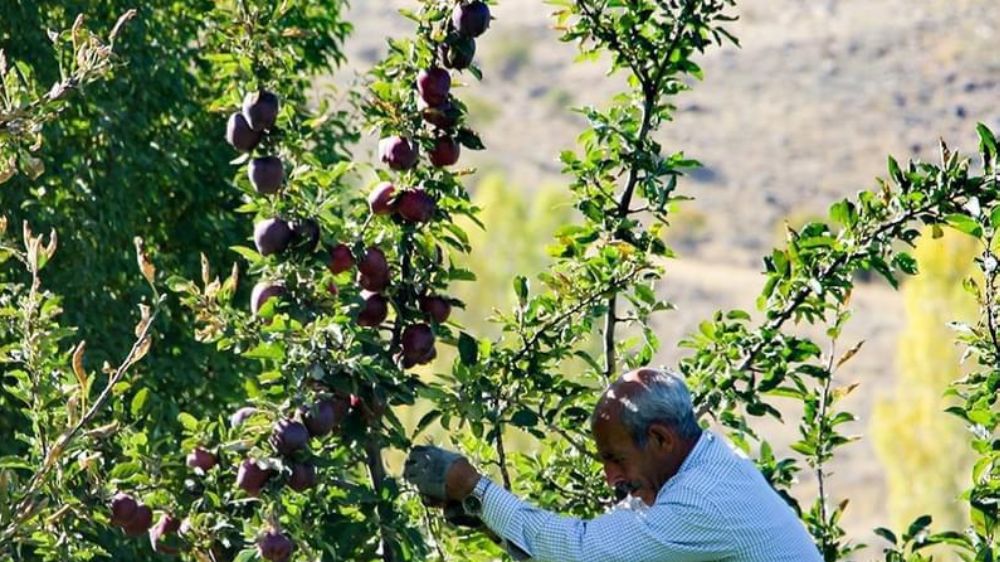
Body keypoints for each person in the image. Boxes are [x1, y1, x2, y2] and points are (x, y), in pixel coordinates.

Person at [403, 367, 823, 562]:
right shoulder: (700, 466)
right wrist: (483, 515)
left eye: (616, 459)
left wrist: (475, 488)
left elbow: (584, 551)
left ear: (660, 438)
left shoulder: (700, 501)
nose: (611, 477)